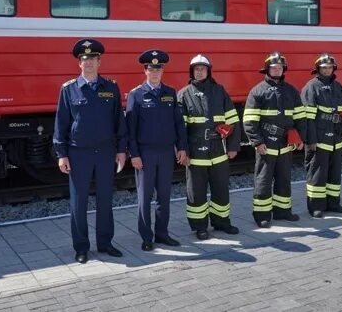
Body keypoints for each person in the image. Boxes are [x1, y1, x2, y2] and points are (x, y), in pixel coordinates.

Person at [53, 38, 127, 264]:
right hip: (78, 154)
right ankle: (81, 247)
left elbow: (119, 122)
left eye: (93, 59)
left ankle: (105, 243)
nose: (89, 63)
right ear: (79, 64)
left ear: (99, 62)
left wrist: (122, 150)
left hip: (105, 152)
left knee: (105, 199)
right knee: (78, 203)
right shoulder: (69, 90)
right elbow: (61, 123)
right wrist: (61, 154)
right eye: (84, 59)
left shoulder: (111, 87)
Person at [126, 49, 189, 251]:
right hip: (145, 154)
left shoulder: (170, 93)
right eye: (151, 69)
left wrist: (181, 148)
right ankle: (147, 237)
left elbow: (179, 123)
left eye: (158, 69)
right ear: (145, 71)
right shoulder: (136, 95)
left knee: (164, 196)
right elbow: (130, 129)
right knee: (144, 198)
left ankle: (162, 234)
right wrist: (133, 154)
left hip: (166, 153)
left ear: (163, 71)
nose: (155, 73)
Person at [178, 54, 241, 240]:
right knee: (196, 192)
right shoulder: (184, 94)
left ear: (208, 71)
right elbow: (180, 129)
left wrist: (233, 146)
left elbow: (233, 120)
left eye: (202, 69)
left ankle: (222, 222)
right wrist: (184, 151)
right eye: (196, 69)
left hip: (219, 150)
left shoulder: (219, 91)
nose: (199, 72)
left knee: (221, 188)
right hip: (195, 152)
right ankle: (200, 226)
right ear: (192, 72)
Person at [243, 52, 307, 228]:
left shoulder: (291, 91)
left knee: (284, 179)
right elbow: (249, 120)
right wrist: (257, 142)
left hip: (286, 144)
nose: (277, 70)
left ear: (283, 69)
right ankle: (262, 215)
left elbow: (300, 117)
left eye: (280, 67)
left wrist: (301, 137)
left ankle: (283, 211)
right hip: (266, 144)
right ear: (267, 69)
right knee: (263, 180)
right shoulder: (258, 91)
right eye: (274, 67)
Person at [300, 53, 342, 217]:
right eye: (324, 68)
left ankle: (333, 204)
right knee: (317, 174)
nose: (327, 70)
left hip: (336, 138)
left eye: (330, 67)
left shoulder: (338, 88)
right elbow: (308, 118)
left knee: (334, 173)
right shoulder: (311, 87)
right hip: (319, 139)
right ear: (318, 69)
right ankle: (316, 206)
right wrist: (311, 140)